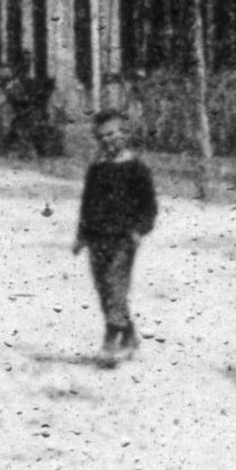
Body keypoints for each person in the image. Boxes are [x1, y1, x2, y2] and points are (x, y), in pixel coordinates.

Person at [72, 111, 160, 363]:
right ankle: (129, 334)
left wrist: (138, 229)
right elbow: (87, 204)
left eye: (113, 134)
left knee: (115, 286)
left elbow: (149, 206)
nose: (108, 140)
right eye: (102, 137)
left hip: (123, 238)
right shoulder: (97, 169)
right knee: (104, 290)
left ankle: (111, 340)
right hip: (98, 237)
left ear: (125, 134)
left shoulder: (136, 168)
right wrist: (81, 235)